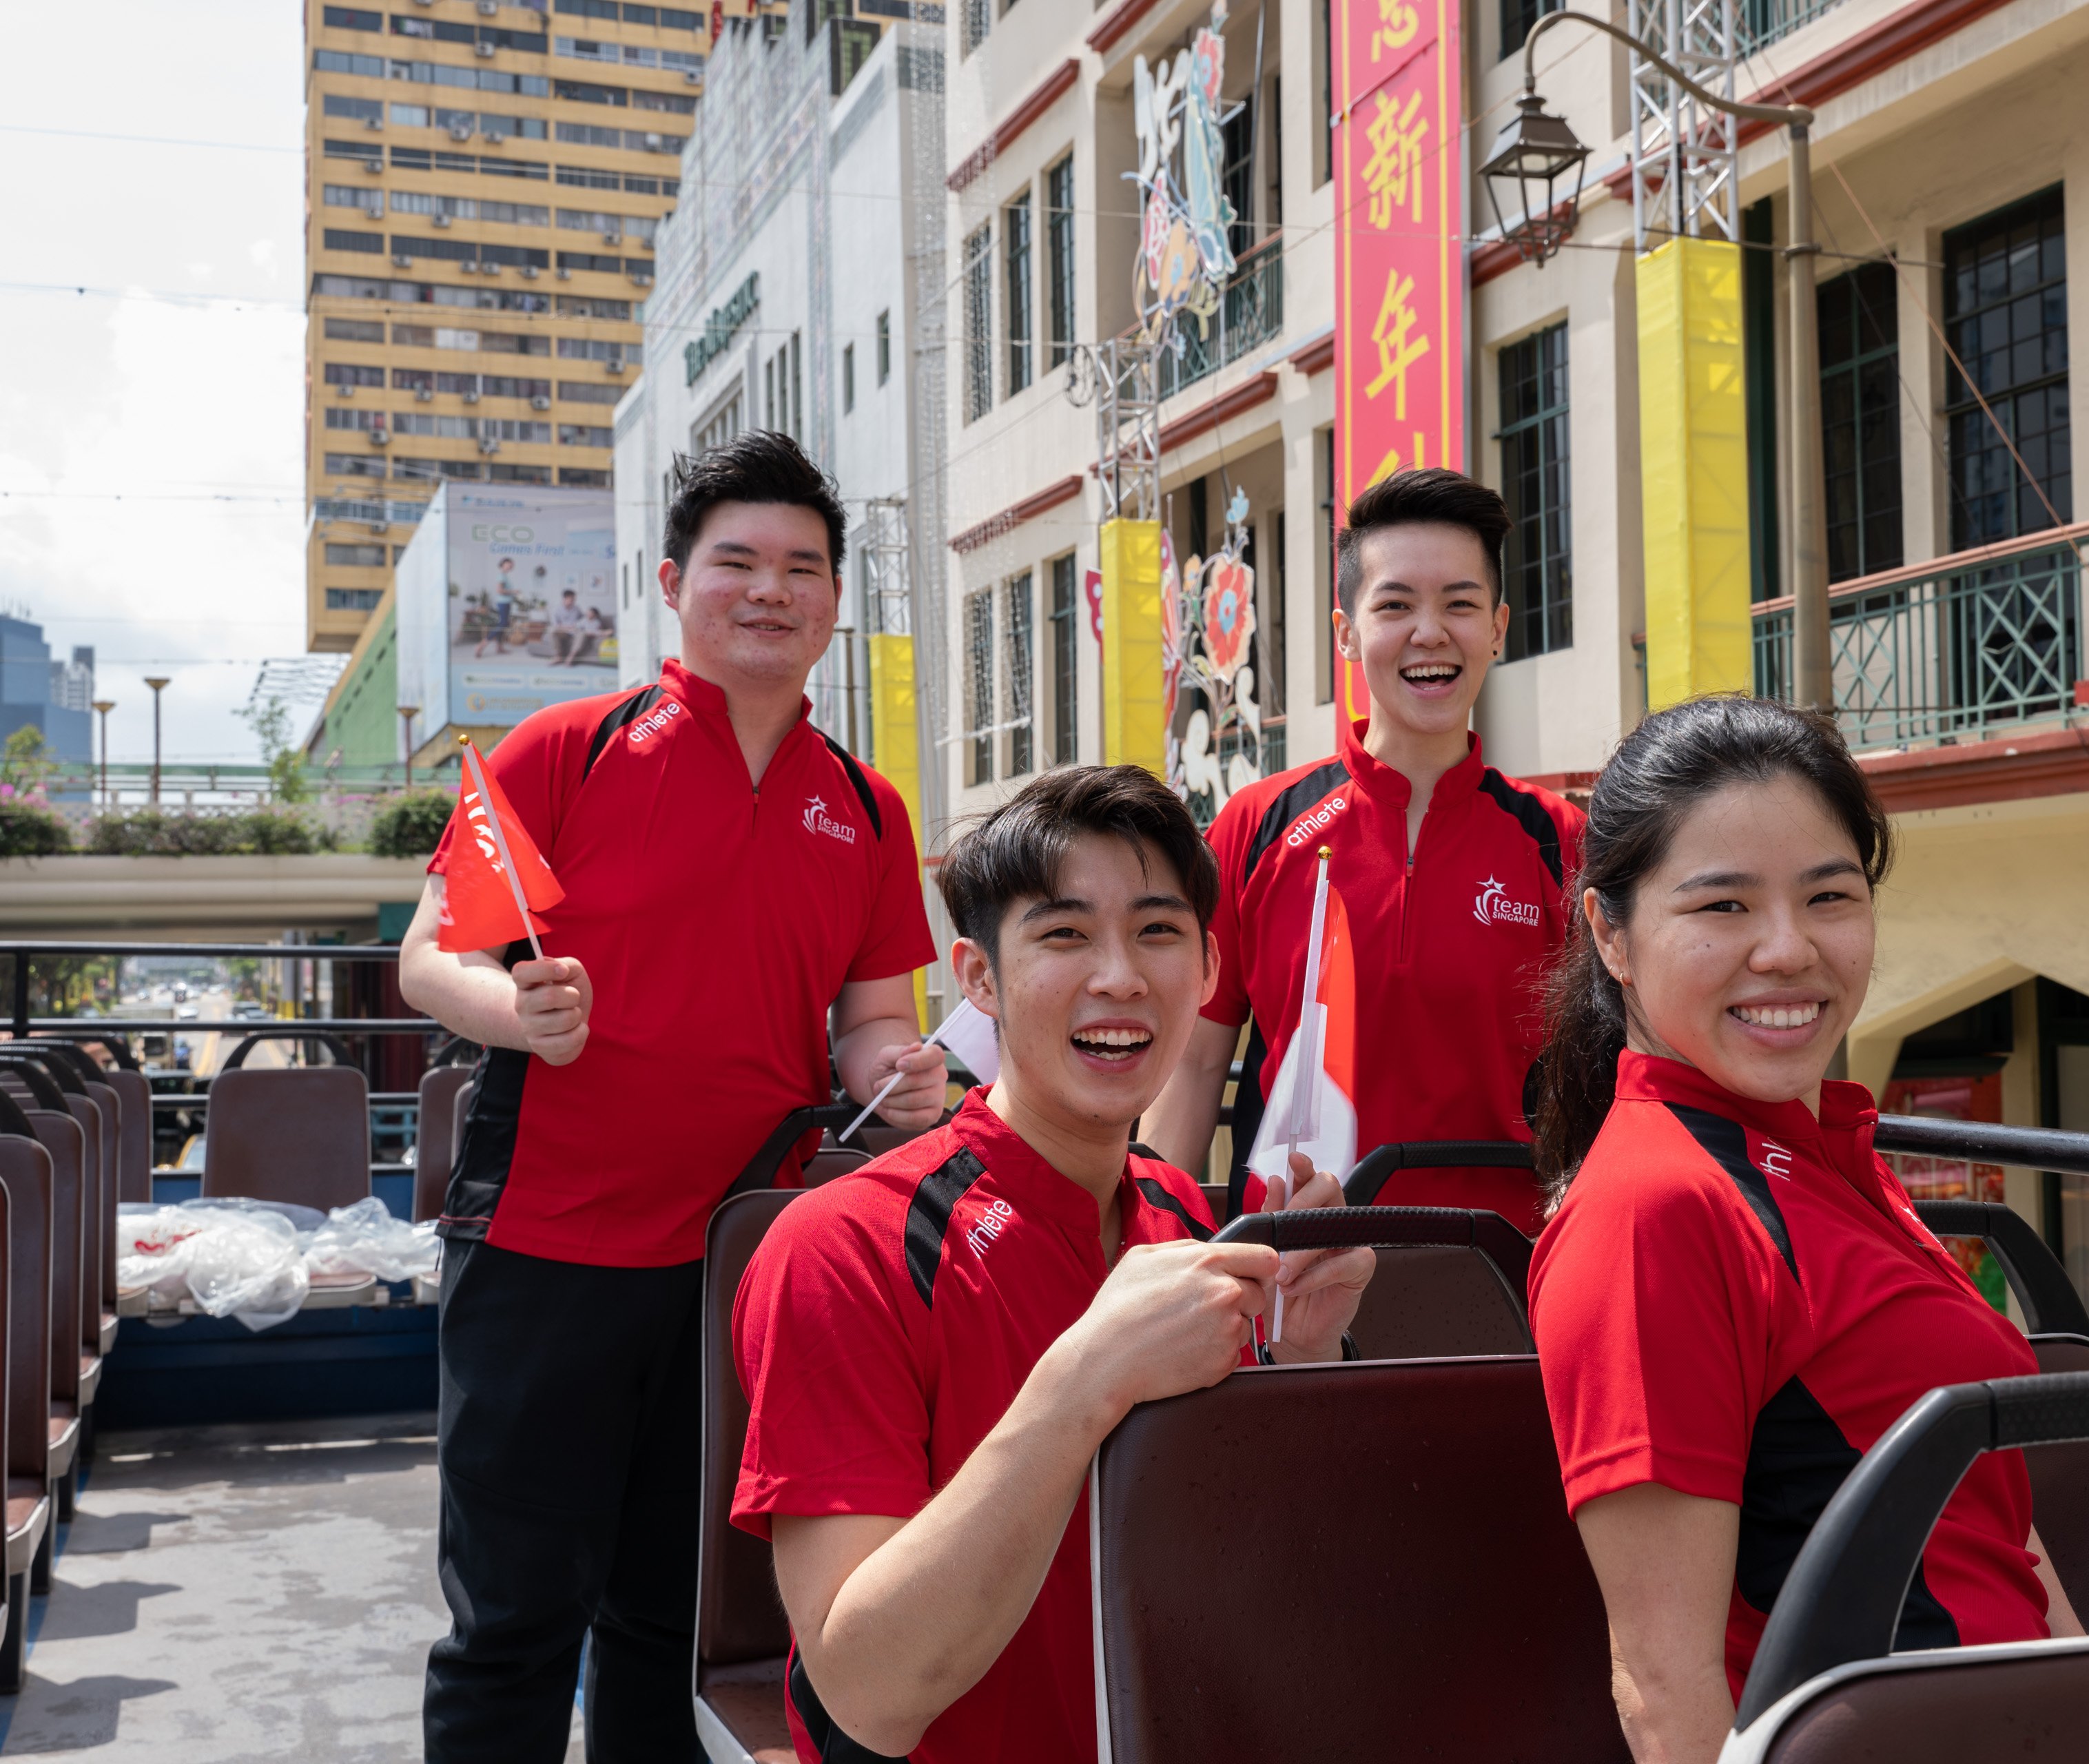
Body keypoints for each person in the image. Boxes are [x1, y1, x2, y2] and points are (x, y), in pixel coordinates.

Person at [400, 429, 948, 1763]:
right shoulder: (565, 751)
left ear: (832, 600)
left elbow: (872, 1021)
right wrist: (509, 1006)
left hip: (738, 1273)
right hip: (543, 1254)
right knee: (514, 1626)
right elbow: (431, 954)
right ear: (670, 580)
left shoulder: (868, 812)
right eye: (738, 562)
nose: (771, 590)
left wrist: (903, 1075)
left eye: (802, 568)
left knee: (671, 1626)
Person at [733, 765, 1375, 1763]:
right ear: (978, 978)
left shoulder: (1184, 1216)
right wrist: (1085, 1380)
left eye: (1158, 933)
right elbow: (865, 1692)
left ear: (1209, 969)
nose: (1119, 976)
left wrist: (1308, 1362)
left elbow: (1275, 1579)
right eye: (1065, 934)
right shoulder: (842, 1248)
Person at [1523, 695, 2081, 1763]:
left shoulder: (1826, 1157)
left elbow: (1995, 1540)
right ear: (1611, 934)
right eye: (1723, 908)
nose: (1788, 951)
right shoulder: (1655, 1210)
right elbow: (1663, 1681)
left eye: (1829, 896)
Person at [1139, 468, 1584, 1233]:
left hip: (1507, 1276)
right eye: (1396, 605)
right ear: (1346, 632)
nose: (1430, 633)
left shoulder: (1562, 843)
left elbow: (1601, 1087)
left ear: (1499, 628)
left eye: (1460, 605)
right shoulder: (1257, 828)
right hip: (1292, 1270)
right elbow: (1192, 1064)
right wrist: (1154, 1253)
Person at [550, 587, 588, 665]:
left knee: (582, 633)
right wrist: (567, 627)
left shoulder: (577, 608)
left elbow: (583, 619)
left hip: (575, 632)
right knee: (552, 630)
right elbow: (556, 625)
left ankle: (571, 657)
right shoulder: (557, 609)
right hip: (564, 632)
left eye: (574, 599)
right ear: (565, 599)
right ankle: (558, 656)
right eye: (571, 599)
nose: (573, 601)